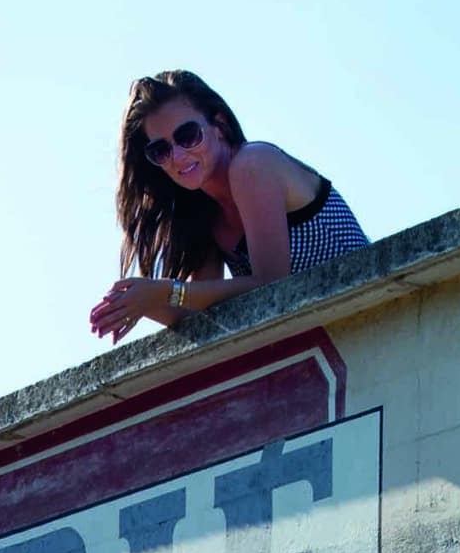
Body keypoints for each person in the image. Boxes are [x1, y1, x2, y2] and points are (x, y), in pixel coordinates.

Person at [90, 68, 368, 346]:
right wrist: (140, 302)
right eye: (161, 150)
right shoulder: (205, 213)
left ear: (219, 124)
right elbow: (200, 314)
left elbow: (272, 283)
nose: (178, 156)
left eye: (187, 135)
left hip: (372, 319)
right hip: (333, 340)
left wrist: (164, 292)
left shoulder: (253, 164)